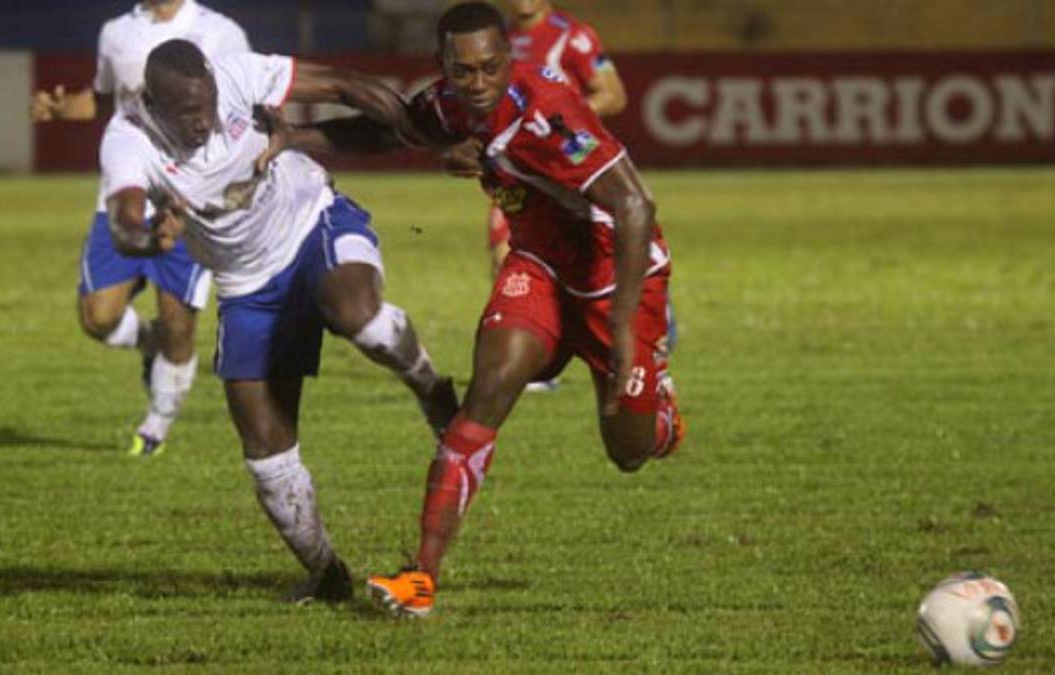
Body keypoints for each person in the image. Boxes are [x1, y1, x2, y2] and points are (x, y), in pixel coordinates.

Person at [273, 1, 685, 616]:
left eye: (491, 68)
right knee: (487, 392)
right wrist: (292, 136)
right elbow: (396, 129)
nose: (478, 83)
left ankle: (659, 412)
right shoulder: (447, 103)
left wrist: (624, 328)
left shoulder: (550, 111)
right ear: (444, 65)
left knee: (627, 450)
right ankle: (422, 577)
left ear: (507, 59)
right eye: (463, 72)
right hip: (541, 262)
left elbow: (634, 207)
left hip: (610, 274)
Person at [101, 38, 458, 602]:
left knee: (357, 317)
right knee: (265, 449)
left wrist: (425, 136)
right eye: (189, 112)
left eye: (209, 104)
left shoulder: (238, 76)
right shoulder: (128, 138)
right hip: (246, 285)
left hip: (314, 222)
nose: (205, 121)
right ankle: (325, 573)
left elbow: (343, 82)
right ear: (153, 102)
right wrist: (148, 237)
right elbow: (123, 220)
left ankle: (431, 388)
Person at [31, 0, 251, 457]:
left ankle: (157, 424)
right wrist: (62, 107)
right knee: (98, 317)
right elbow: (105, 97)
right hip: (126, 188)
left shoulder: (221, 31)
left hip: (188, 197)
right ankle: (150, 344)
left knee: (178, 320)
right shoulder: (116, 31)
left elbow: (244, 104)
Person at [485, 0, 630, 391]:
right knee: (504, 243)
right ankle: (531, 343)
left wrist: (555, 121)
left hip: (568, 169)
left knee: (588, 256)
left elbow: (614, 95)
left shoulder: (574, 37)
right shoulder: (499, 42)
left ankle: (649, 313)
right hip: (519, 169)